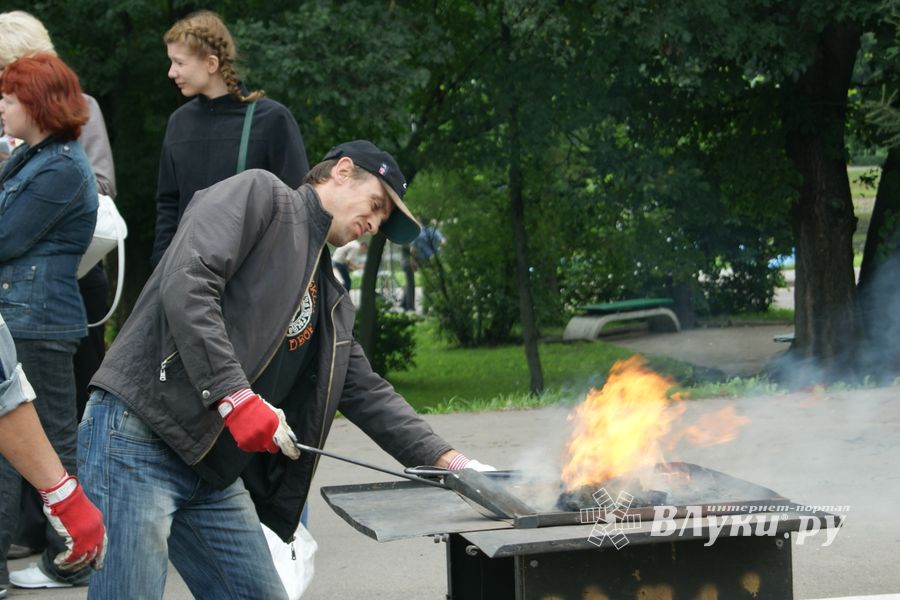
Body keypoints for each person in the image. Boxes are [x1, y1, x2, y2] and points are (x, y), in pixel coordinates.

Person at [80, 140, 490, 599]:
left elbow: (366, 392)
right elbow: (188, 282)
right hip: (138, 435)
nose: (373, 225)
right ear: (342, 171)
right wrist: (234, 396)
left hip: (211, 469)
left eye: (381, 221)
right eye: (376, 204)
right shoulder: (260, 196)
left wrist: (456, 466)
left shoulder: (329, 296)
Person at [0, 10, 118, 567]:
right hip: (27, 316)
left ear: (36, 104)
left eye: (9, 97)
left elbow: (4, 236)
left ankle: (68, 557)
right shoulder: (33, 158)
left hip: (39, 321)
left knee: (53, 442)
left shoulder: (60, 168)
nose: (0, 106)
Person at [150, 10, 308, 267]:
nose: (171, 72)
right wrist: (161, 269)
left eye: (179, 63)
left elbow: (296, 206)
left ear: (211, 64)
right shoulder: (178, 123)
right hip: (186, 276)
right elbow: (168, 204)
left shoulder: (271, 119)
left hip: (253, 276)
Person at [0, 312, 106, 599]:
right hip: (50, 312)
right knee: (60, 431)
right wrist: (64, 498)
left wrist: (64, 498)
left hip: (37, 312)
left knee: (57, 432)